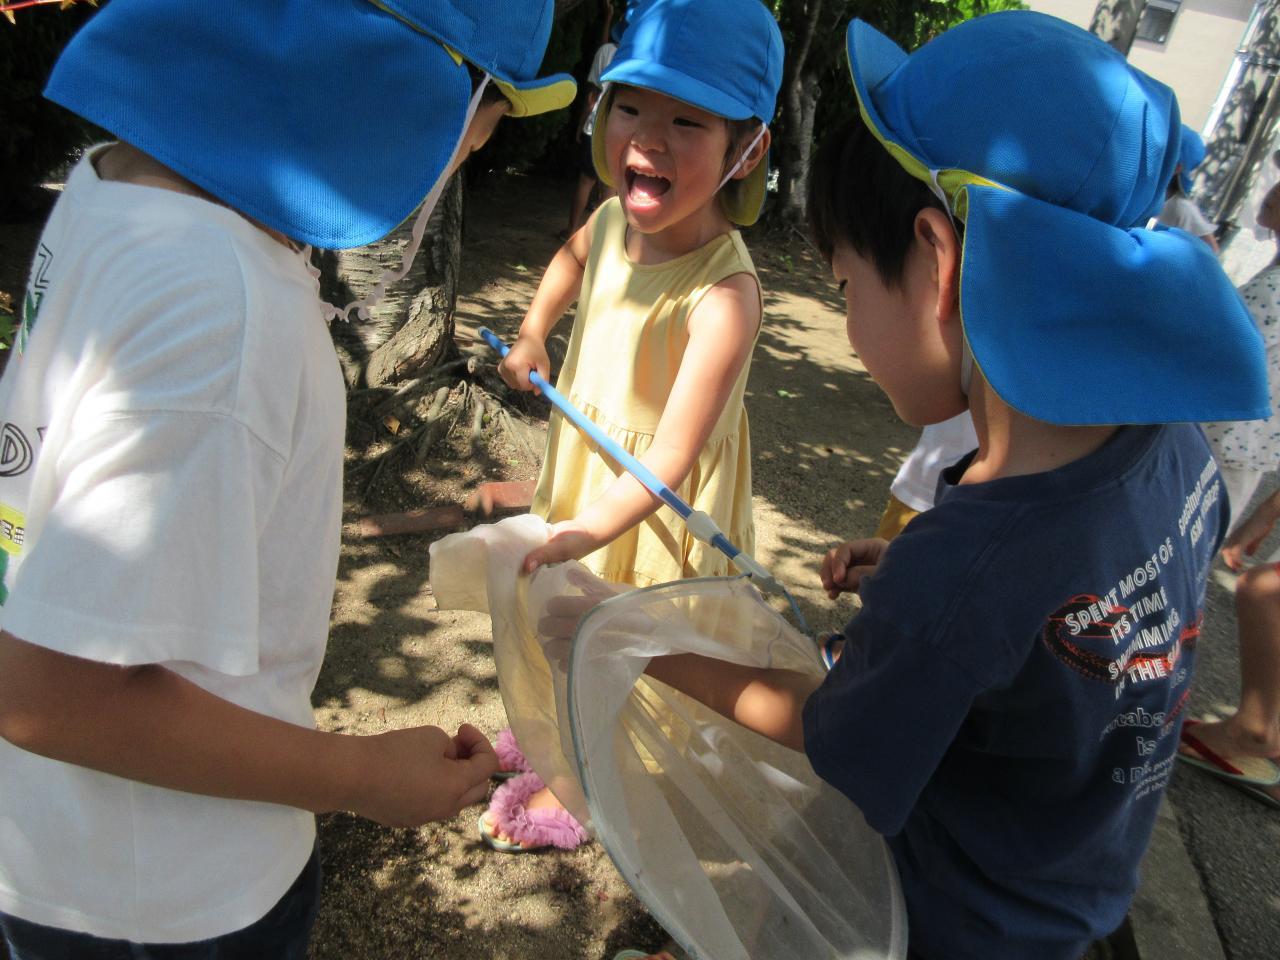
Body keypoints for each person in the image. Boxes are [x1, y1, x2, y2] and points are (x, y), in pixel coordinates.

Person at [623, 12, 1270, 960]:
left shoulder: (964, 569)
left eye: (845, 287)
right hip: (1074, 902)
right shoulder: (1174, 445)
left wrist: (642, 650)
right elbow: (1067, 621)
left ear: (938, 259)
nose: (848, 327)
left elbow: (830, 732)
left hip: (937, 924)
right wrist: (918, 580)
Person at [0, 1, 574, 956]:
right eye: (486, 115)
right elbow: (51, 692)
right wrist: (360, 776)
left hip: (70, 853)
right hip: (173, 897)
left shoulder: (114, 185)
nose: (477, 146)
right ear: (401, 81)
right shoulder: (225, 309)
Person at [484, 0, 781, 852]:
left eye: (688, 121)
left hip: (648, 509)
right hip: (590, 475)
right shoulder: (613, 218)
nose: (648, 139)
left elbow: (673, 459)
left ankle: (585, 780)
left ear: (747, 149)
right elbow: (573, 258)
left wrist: (587, 531)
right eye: (631, 106)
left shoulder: (725, 294)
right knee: (561, 620)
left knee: (617, 638)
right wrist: (535, 330)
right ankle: (555, 733)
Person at [1179, 173, 1280, 806]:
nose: (1272, 190)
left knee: (1194, 562)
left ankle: (1255, 729)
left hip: (1226, 444)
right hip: (1234, 443)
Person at [564, 2, 624, 238]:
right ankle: (598, 240)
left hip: (596, 125)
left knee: (586, 181)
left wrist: (581, 123)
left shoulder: (606, 52)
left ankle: (571, 231)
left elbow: (592, 95)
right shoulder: (638, 57)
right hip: (621, 130)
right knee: (610, 186)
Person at [1158, 124, 1219, 253]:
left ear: (1176, 168)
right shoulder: (1138, 194)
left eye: (1158, 154)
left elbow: (1211, 252)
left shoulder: (1181, 209)